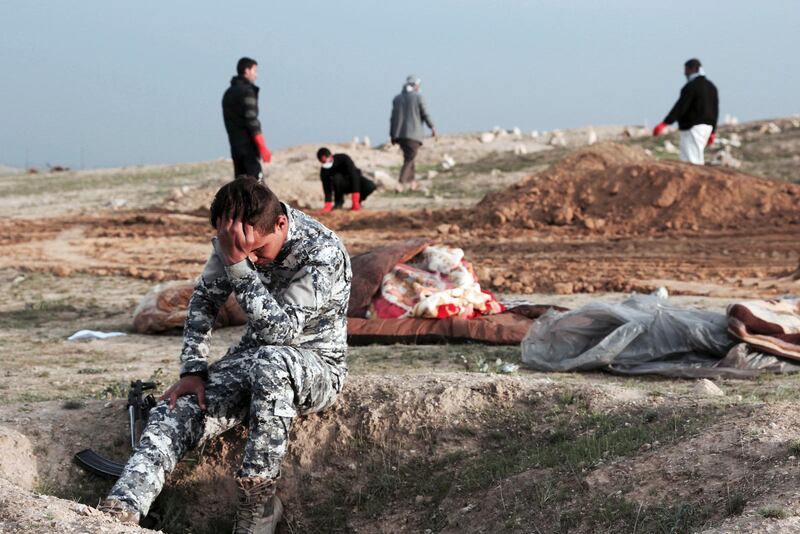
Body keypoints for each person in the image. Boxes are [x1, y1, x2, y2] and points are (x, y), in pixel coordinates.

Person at [98, 177, 351, 534]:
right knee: (176, 409)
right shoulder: (235, 241)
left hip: (316, 366)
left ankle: (259, 507)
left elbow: (280, 334)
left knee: (271, 361)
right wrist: (193, 370)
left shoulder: (322, 252)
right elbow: (204, 301)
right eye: (237, 250)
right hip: (255, 359)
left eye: (259, 252)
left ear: (281, 224)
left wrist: (237, 266)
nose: (252, 260)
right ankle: (118, 512)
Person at [652, 58, 719, 165]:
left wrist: (665, 123)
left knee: (692, 161)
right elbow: (715, 110)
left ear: (692, 69)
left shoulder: (692, 86)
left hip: (694, 128)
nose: (684, 73)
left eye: (686, 70)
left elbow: (681, 106)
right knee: (691, 157)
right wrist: (713, 131)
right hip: (707, 128)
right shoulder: (711, 87)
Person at [223, 57, 273, 180]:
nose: (256, 75)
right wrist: (263, 147)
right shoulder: (247, 91)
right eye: (255, 71)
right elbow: (252, 120)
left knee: (241, 188)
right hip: (249, 148)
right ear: (247, 71)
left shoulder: (228, 93)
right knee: (258, 189)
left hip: (235, 148)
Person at [390, 75, 437, 190]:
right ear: (415, 86)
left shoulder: (397, 99)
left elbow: (393, 118)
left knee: (410, 157)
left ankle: (412, 183)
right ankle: (401, 183)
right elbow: (424, 114)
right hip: (413, 135)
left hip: (399, 135)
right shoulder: (418, 98)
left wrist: (392, 134)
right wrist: (432, 127)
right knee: (410, 158)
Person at [316, 147, 377, 212]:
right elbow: (327, 188)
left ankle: (358, 202)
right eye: (323, 162)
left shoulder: (344, 158)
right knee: (336, 177)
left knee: (370, 186)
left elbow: (354, 176)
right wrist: (328, 205)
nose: (326, 163)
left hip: (354, 181)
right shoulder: (324, 170)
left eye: (327, 160)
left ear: (331, 156)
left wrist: (355, 199)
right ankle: (338, 203)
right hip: (340, 186)